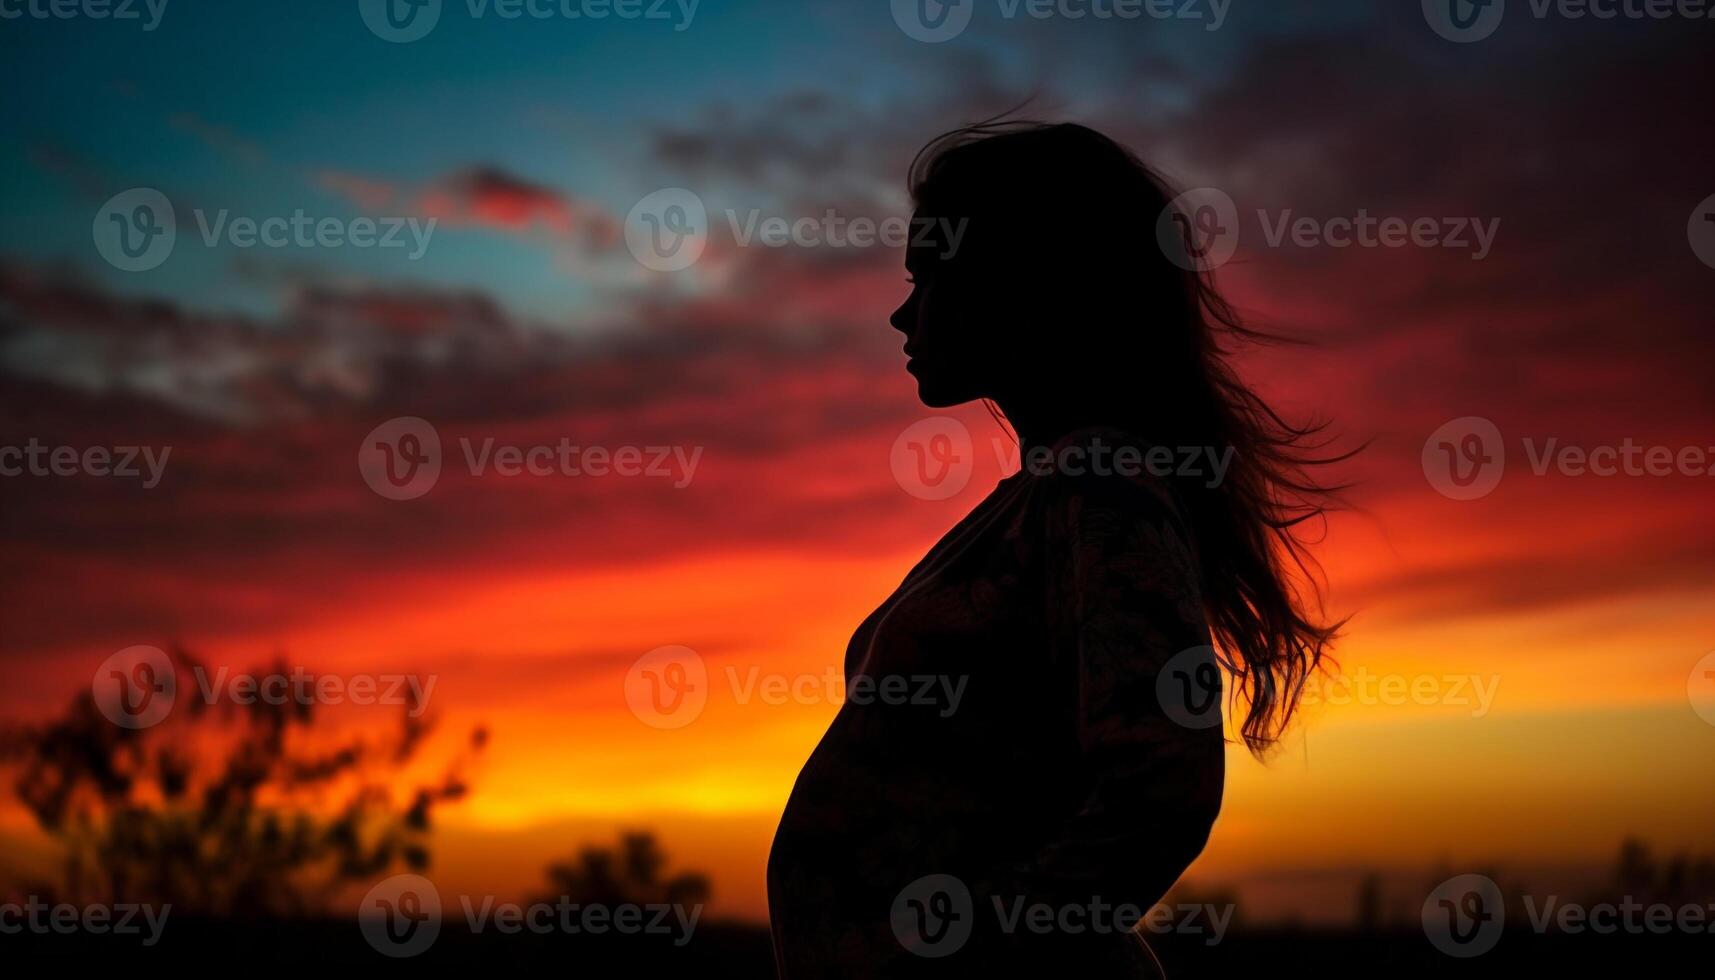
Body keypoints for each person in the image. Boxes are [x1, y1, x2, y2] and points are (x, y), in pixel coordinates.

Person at [768, 121, 1346, 976]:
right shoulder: (1056, 494)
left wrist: (962, 958)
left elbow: (1161, 787)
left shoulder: (1099, 487)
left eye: (927, 275)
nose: (900, 311)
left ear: (1022, 283)